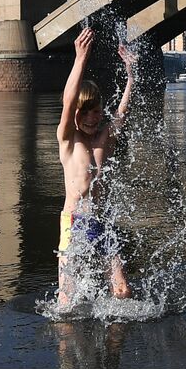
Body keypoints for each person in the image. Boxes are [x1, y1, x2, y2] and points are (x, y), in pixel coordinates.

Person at [56, 28, 135, 309]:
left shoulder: (104, 141)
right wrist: (80, 59)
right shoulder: (68, 140)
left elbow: (122, 113)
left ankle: (113, 345)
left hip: (102, 224)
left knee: (122, 291)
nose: (91, 118)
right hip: (73, 224)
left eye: (96, 111)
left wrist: (130, 76)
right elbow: (68, 102)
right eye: (84, 112)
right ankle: (67, 346)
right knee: (67, 301)